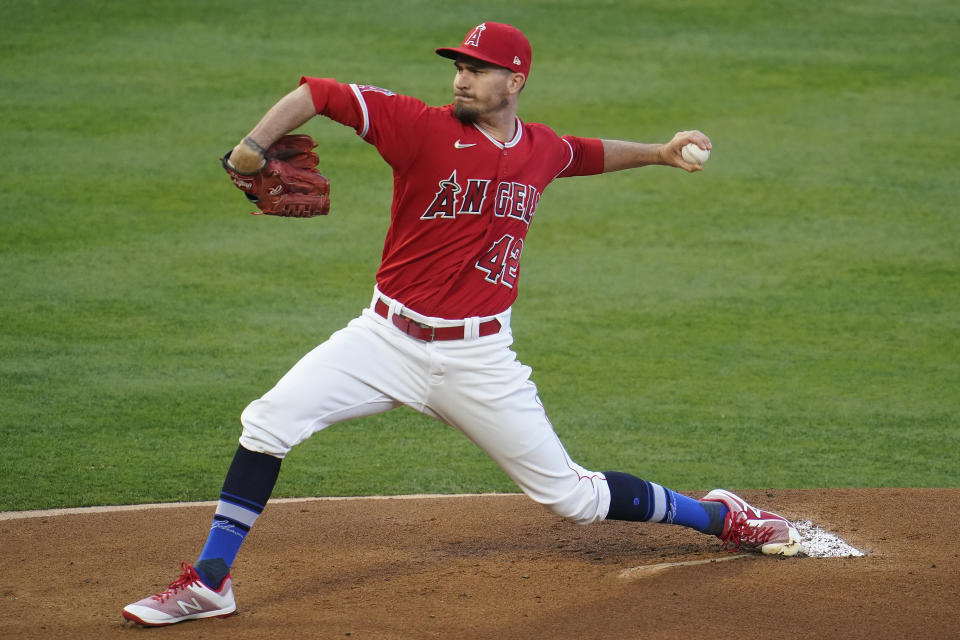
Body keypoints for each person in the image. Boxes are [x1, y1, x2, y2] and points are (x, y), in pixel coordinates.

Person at [121, 22, 800, 627]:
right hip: (382, 339)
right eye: (459, 66)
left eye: (476, 68)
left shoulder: (539, 149)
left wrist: (657, 152)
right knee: (267, 422)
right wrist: (249, 149)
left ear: (516, 80)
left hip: (479, 361)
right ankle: (210, 581)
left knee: (573, 500)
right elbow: (319, 94)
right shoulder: (419, 126)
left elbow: (585, 153)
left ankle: (722, 517)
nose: (461, 78)